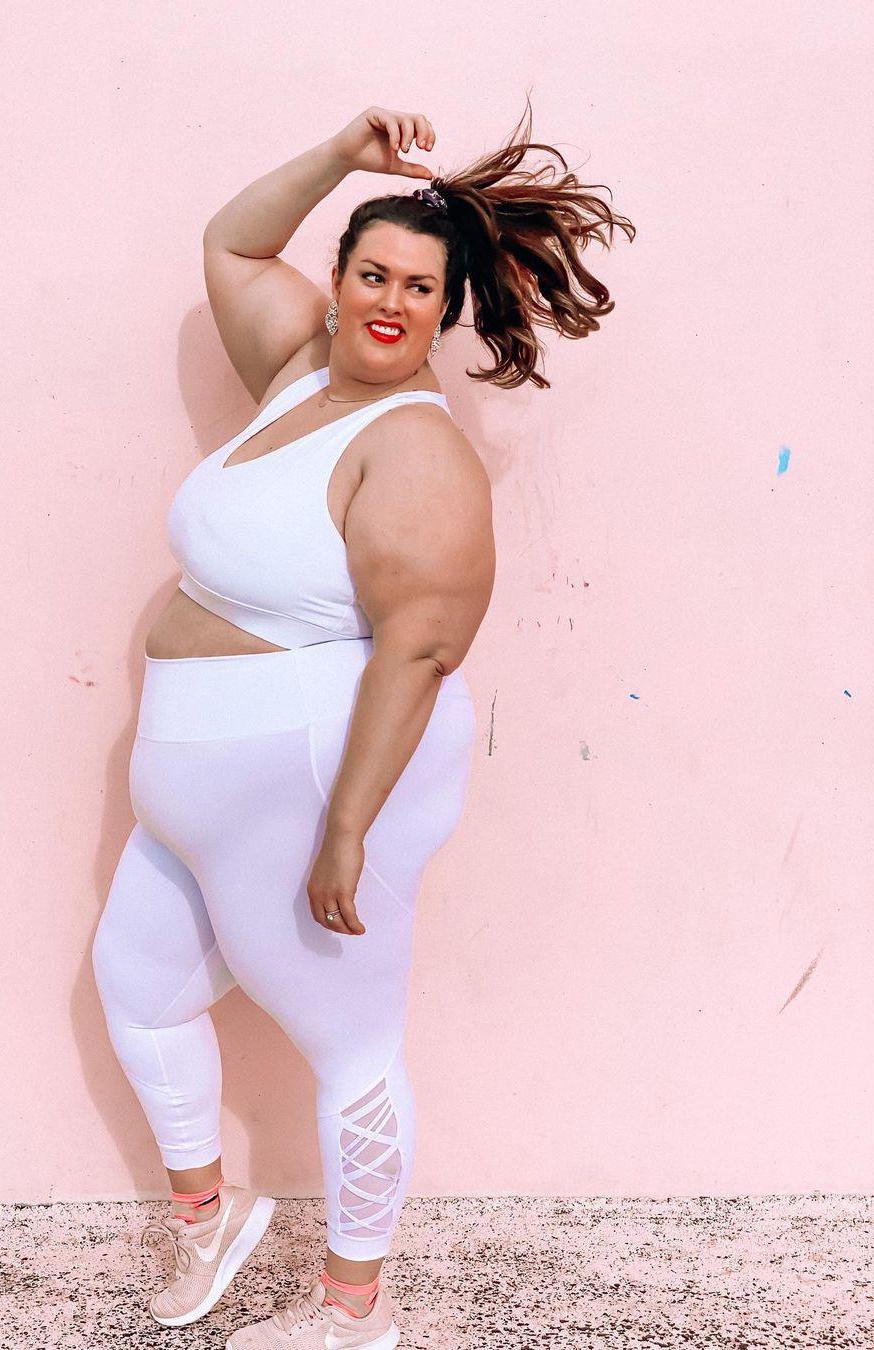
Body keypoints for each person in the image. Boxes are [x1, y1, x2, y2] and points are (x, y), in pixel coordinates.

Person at [92, 101, 634, 1348]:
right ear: (336, 281)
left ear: (448, 311)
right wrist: (344, 155)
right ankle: (207, 1219)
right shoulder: (297, 376)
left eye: (421, 289)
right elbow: (232, 245)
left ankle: (354, 1312)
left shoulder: (416, 450)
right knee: (138, 989)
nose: (392, 303)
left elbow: (424, 646)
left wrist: (347, 830)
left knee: (351, 1044)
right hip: (193, 789)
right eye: (373, 274)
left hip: (310, 789)